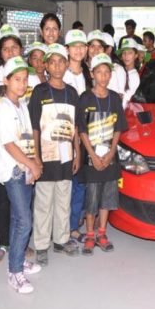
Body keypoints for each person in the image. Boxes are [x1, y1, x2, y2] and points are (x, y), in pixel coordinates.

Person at [0, 56, 42, 293]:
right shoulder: (2, 107)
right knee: (24, 221)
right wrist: (31, 166)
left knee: (16, 218)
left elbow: (26, 139)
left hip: (24, 168)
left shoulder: (21, 105)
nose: (22, 84)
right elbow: (9, 145)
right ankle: (14, 272)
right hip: (13, 171)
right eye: (17, 79)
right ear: (6, 81)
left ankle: (18, 259)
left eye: (24, 80)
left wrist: (32, 163)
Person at [29, 44, 81, 265]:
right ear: (47, 65)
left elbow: (77, 126)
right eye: (53, 62)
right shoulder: (39, 92)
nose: (57, 66)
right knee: (43, 202)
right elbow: (34, 128)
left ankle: (61, 239)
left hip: (66, 156)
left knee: (63, 199)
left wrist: (77, 153)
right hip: (46, 157)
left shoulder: (72, 92)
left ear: (67, 64)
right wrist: (35, 156)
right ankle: (41, 245)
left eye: (62, 61)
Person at [0, 24, 30, 264]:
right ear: (0, 53)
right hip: (3, 150)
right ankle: (4, 243)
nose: (10, 52)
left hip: (24, 149)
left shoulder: (25, 75)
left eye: (14, 47)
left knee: (22, 200)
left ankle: (20, 245)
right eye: (5, 49)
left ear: (21, 49)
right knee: (3, 198)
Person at [77, 53, 128, 255]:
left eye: (107, 72)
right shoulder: (85, 98)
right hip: (91, 160)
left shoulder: (115, 98)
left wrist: (110, 154)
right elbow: (81, 130)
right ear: (92, 74)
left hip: (110, 160)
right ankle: (89, 234)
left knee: (107, 198)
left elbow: (118, 129)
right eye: (99, 72)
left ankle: (101, 232)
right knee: (91, 199)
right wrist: (92, 154)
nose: (104, 76)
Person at [62, 29, 91, 244]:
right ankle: (63, 228)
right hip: (66, 137)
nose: (79, 50)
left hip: (86, 136)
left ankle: (73, 226)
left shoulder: (88, 73)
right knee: (65, 185)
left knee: (80, 184)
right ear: (67, 50)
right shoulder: (61, 75)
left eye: (83, 46)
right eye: (75, 46)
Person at [87, 30, 126, 94]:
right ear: (87, 48)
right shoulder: (82, 68)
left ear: (104, 49)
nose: (96, 50)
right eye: (92, 46)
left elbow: (116, 97)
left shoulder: (112, 71)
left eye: (100, 46)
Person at [116, 38, 144, 108]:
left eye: (130, 53)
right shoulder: (119, 70)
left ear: (136, 55)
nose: (126, 56)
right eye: (124, 53)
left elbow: (125, 100)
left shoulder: (134, 77)